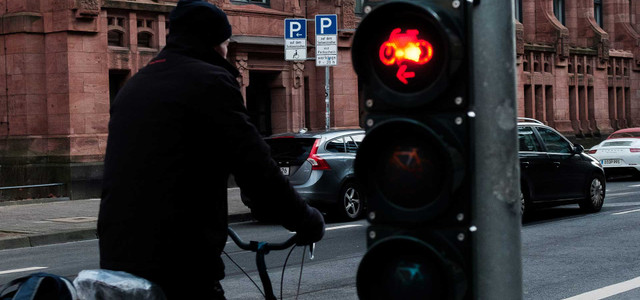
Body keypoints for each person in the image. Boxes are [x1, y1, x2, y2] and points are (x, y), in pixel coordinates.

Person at [97, 1, 325, 299]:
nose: (227, 49)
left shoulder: (135, 84)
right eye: (226, 41)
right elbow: (257, 169)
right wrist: (307, 220)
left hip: (117, 259)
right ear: (215, 42)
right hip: (177, 261)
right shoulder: (210, 81)